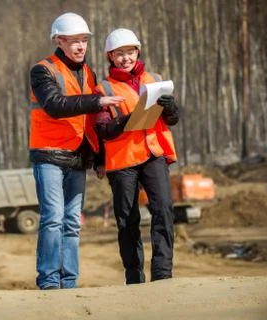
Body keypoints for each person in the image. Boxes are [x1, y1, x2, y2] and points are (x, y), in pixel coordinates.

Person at [29, 12, 123, 290]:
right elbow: (55, 105)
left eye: (84, 40)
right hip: (49, 154)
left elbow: (93, 121)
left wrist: (100, 158)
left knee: (72, 223)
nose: (81, 46)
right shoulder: (43, 70)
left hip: (78, 157)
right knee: (54, 218)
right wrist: (97, 100)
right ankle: (48, 281)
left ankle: (69, 282)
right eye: (74, 41)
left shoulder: (90, 73)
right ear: (59, 40)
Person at [94, 28, 180, 284]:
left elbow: (171, 119)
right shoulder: (104, 88)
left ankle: (163, 272)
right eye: (119, 54)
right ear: (110, 56)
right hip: (122, 160)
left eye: (130, 52)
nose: (126, 58)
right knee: (127, 220)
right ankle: (134, 276)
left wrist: (172, 108)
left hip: (153, 153)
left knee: (163, 209)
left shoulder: (155, 79)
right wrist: (125, 121)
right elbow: (102, 129)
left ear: (137, 52)